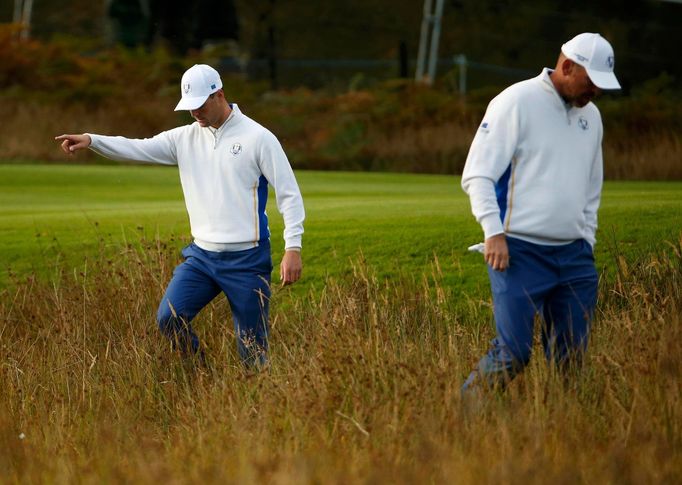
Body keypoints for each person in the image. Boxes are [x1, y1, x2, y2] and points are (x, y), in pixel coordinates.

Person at [56, 64, 305, 368]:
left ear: (219, 95)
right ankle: (202, 373)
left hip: (247, 261)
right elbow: (137, 148)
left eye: (200, 105)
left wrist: (293, 247)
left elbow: (289, 194)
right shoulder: (183, 139)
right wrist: (92, 140)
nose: (194, 113)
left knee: (252, 348)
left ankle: (257, 403)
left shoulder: (259, 138)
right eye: (189, 107)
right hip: (202, 258)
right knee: (169, 318)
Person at [460, 33, 621, 393]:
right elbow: (478, 174)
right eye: (591, 82)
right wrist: (493, 232)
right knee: (513, 352)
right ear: (567, 66)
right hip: (517, 252)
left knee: (571, 360)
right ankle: (463, 414)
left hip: (575, 256)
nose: (596, 91)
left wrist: (587, 240)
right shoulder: (516, 101)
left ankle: (563, 430)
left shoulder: (591, 117)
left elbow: (591, 188)